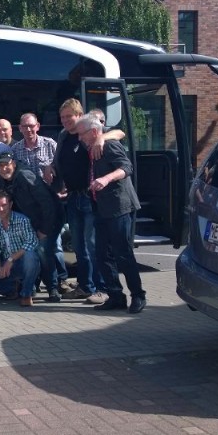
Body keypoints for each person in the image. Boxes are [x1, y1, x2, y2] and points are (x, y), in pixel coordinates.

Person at [46, 99, 125, 304]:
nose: (65, 121)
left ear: (80, 115)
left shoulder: (90, 130)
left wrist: (101, 139)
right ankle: (85, 286)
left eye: (69, 116)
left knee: (93, 245)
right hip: (73, 196)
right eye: (62, 117)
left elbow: (119, 133)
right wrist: (51, 167)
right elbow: (60, 160)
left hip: (90, 197)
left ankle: (102, 288)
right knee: (79, 246)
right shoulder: (63, 136)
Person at [77, 112, 146, 313]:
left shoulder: (109, 145)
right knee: (102, 255)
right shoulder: (92, 143)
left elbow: (127, 167)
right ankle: (115, 296)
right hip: (100, 207)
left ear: (93, 132)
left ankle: (138, 295)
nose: (79, 138)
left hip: (119, 207)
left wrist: (106, 179)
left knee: (123, 254)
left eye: (82, 134)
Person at [0, 150, 62, 302]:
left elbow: (47, 203)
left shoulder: (25, 176)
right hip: (27, 221)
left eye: (7, 164)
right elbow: (5, 202)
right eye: (0, 166)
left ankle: (53, 288)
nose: (4, 168)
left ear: (13, 164)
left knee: (43, 251)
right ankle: (31, 287)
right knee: (29, 252)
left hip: (49, 217)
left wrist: (44, 230)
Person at [11, 113, 67, 293]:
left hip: (50, 204)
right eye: (24, 126)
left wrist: (62, 188)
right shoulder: (16, 149)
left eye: (31, 125)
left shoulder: (50, 144)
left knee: (54, 245)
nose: (28, 129)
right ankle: (37, 281)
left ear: (38, 126)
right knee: (35, 246)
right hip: (30, 207)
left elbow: (63, 167)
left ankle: (61, 281)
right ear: (19, 128)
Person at [0, 190, 41, 307]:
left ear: (10, 204)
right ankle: (13, 289)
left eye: (4, 205)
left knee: (30, 256)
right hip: (8, 266)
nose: (0, 209)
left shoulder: (22, 220)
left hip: (24, 263)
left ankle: (26, 294)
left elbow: (32, 242)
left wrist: (11, 259)